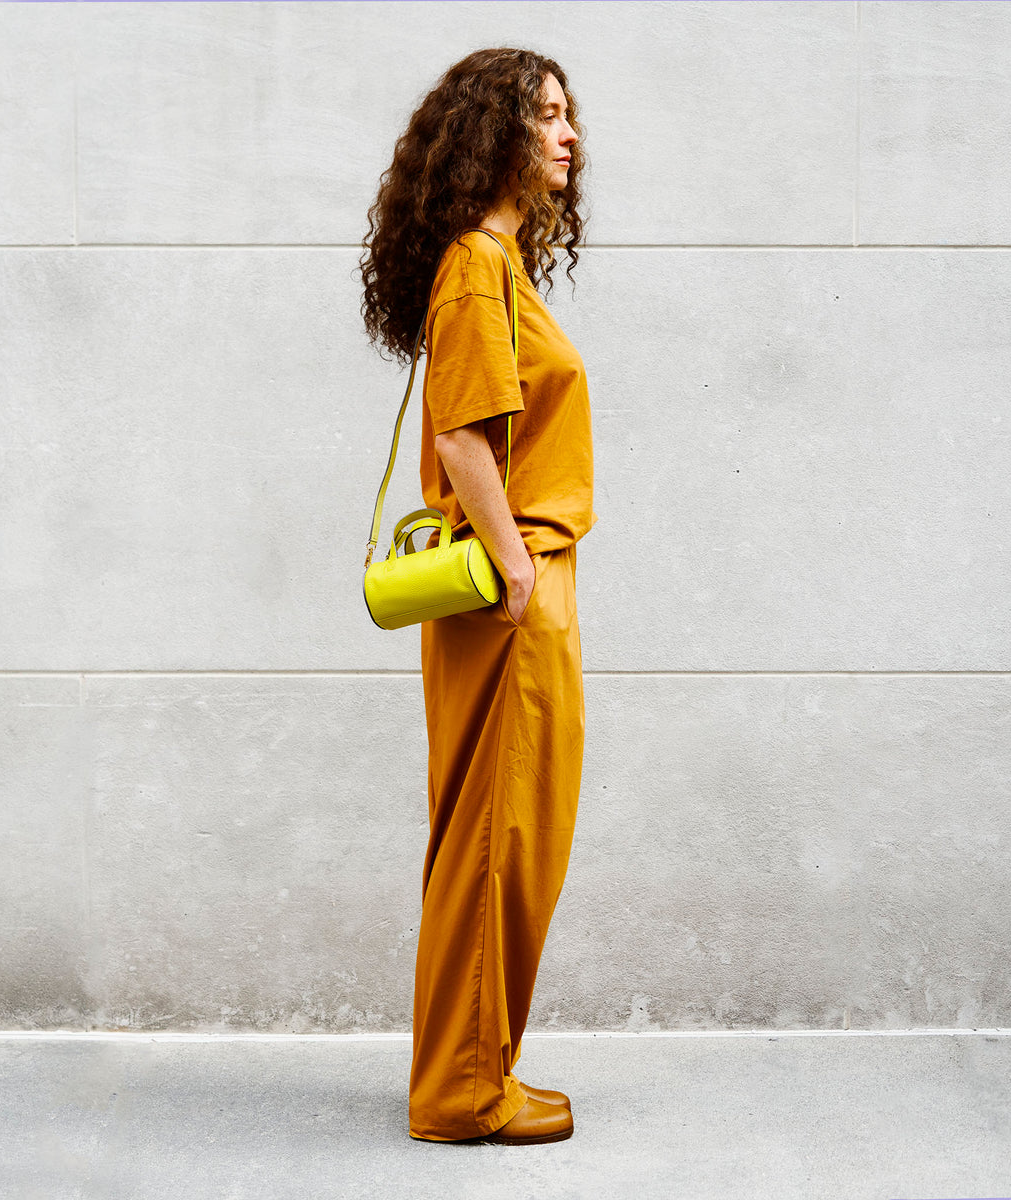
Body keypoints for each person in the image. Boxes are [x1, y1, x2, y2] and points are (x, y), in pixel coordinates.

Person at [360, 47, 595, 1146]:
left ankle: (479, 1067)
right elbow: (460, 434)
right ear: (491, 133)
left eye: (569, 118)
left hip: (527, 576)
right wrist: (513, 575)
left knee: (513, 835)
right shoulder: (474, 267)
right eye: (544, 116)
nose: (567, 136)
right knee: (496, 838)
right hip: (509, 583)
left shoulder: (497, 264)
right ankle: (461, 1091)